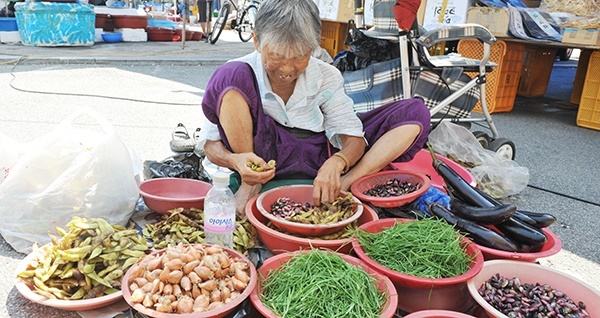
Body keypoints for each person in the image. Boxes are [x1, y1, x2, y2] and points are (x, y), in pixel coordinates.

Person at [197, 0, 430, 212]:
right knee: (230, 76)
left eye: (299, 57)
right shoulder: (240, 72)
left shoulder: (326, 75)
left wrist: (337, 164)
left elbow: (353, 139)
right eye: (276, 56)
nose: (287, 69)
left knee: (414, 112)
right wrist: (236, 161)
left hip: (317, 155)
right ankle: (250, 184)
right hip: (263, 155)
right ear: (257, 41)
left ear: (313, 48)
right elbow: (211, 145)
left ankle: (345, 186)